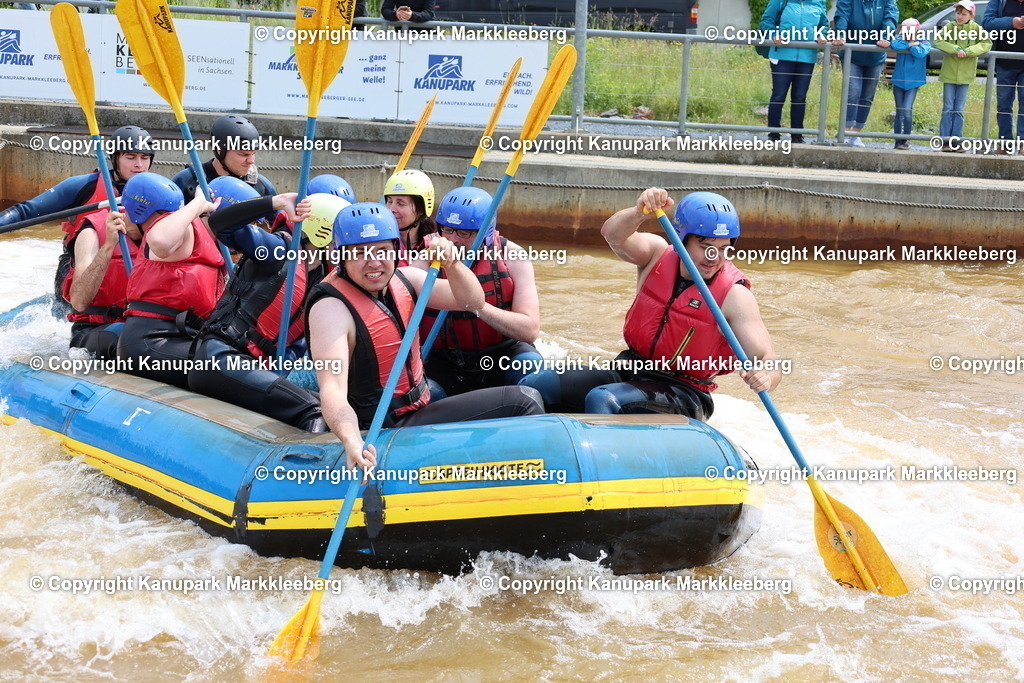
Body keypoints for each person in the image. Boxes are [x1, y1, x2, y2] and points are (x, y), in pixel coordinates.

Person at [306, 202, 545, 470]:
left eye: (382, 251)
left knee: (446, 390)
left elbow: (472, 301)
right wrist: (351, 440)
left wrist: (452, 264)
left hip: (417, 408)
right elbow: (333, 389)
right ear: (341, 256)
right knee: (524, 401)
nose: (374, 262)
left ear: (396, 250)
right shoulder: (331, 309)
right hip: (382, 427)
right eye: (361, 252)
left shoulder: (406, 279)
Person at [520, 189, 782, 421]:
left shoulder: (735, 295)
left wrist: (765, 376)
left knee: (604, 400)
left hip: (685, 392)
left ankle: (610, 472)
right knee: (541, 382)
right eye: (705, 246)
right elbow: (613, 235)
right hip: (630, 370)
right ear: (680, 239)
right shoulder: (656, 254)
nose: (714, 257)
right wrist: (639, 212)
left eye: (724, 248)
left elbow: (768, 359)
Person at [188, 179, 346, 431]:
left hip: (254, 368)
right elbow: (221, 225)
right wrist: (277, 202)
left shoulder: (323, 278)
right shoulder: (277, 250)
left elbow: (298, 344)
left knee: (332, 407)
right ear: (322, 231)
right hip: (220, 358)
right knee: (313, 410)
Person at [0, 125, 154, 315]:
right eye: (130, 157)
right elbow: (27, 211)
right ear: (115, 158)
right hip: (80, 265)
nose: (139, 165)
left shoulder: (158, 191)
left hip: (130, 267)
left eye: (144, 158)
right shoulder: (84, 185)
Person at [420, 186, 543, 397]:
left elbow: (529, 330)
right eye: (447, 230)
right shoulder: (424, 257)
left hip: (501, 354)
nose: (453, 240)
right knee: (427, 392)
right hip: (444, 360)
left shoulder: (513, 255)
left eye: (464, 232)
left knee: (533, 369)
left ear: (485, 232)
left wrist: (478, 306)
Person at [116, 173, 226, 389]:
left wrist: (274, 202)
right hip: (151, 341)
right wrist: (197, 204)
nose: (123, 217)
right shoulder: (164, 237)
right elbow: (160, 241)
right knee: (232, 368)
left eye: (126, 211)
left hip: (180, 337)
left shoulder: (189, 234)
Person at [62, 207, 143, 360]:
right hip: (92, 330)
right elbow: (79, 302)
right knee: (132, 338)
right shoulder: (91, 233)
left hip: (139, 327)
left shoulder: (163, 235)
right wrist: (108, 246)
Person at [758, 0, 829, 144]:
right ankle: (774, 134)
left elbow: (824, 25)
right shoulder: (780, 1)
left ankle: (797, 135)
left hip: (806, 57)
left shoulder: (819, 2)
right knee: (778, 95)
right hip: (782, 55)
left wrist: (821, 35)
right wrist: (774, 35)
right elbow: (767, 20)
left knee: (800, 97)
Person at [832, 0, 900, 146]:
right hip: (852, 53)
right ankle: (844, 132)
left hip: (875, 55)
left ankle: (856, 134)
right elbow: (842, 15)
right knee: (853, 91)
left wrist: (886, 37)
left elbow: (890, 16)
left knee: (867, 95)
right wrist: (840, 34)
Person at [171, 114, 276, 204]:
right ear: (219, 150)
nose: (251, 161)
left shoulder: (261, 186)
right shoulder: (188, 181)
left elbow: (281, 221)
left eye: (253, 154)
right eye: (244, 154)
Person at [935, 1, 992, 151]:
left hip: (966, 75)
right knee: (948, 107)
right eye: (958, 13)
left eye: (963, 14)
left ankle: (957, 141)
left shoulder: (977, 29)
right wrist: (955, 49)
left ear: (971, 15)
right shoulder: (949, 27)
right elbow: (938, 41)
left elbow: (986, 43)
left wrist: (968, 51)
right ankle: (945, 141)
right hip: (949, 74)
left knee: (959, 108)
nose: (959, 16)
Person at [982, 0, 1024, 153]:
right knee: (1004, 106)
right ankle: (1005, 143)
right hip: (1004, 63)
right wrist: (1012, 22)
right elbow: (986, 22)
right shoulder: (999, 1)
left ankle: (1022, 143)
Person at [890, 18, 931, 150]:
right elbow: (895, 45)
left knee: (907, 110)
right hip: (899, 80)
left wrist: (912, 43)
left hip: (913, 82)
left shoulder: (924, 40)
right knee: (899, 112)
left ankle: (905, 139)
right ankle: (897, 141)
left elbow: (921, 52)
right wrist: (910, 44)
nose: (907, 31)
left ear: (917, 29)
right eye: (904, 28)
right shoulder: (900, 39)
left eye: (910, 29)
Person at [383, 169, 436, 266]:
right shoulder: (377, 242)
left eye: (401, 203)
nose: (391, 209)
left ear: (421, 210)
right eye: (389, 201)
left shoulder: (434, 244)